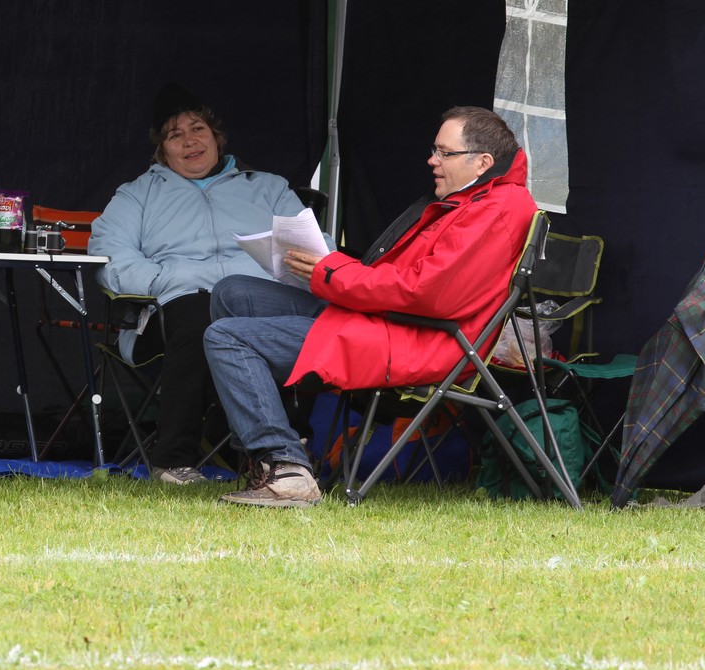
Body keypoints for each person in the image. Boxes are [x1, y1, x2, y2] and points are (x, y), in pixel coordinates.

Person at [204, 106, 537, 507]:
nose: (432, 160)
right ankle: (285, 441)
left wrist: (331, 272)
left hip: (417, 339)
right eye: (435, 149)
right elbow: (411, 281)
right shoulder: (477, 199)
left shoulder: (495, 210)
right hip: (391, 321)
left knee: (226, 338)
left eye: (443, 153)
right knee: (232, 292)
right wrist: (330, 272)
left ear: (482, 162)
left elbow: (426, 294)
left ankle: (286, 467)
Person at [88, 82, 320, 484]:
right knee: (200, 314)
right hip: (169, 312)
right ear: (162, 149)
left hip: (255, 302)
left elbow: (316, 251)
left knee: (298, 322)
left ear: (216, 136)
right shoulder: (137, 195)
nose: (189, 141)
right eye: (174, 135)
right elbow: (111, 259)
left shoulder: (267, 187)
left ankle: (283, 451)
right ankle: (173, 459)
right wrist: (169, 281)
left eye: (197, 129)